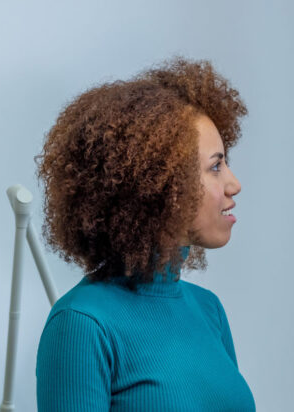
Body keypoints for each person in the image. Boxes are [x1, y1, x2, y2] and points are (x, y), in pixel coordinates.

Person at [34, 57, 254, 411]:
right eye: (215, 166)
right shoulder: (81, 324)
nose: (234, 184)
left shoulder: (209, 310)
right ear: (157, 185)